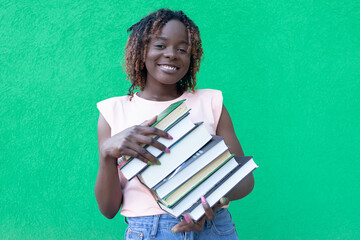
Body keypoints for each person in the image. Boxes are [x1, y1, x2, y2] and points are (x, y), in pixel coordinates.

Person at [95, 8, 255, 240]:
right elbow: (108, 209)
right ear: (141, 50)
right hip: (150, 231)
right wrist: (107, 154)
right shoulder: (113, 111)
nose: (171, 54)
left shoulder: (211, 102)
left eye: (182, 49)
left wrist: (211, 201)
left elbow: (244, 181)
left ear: (192, 57)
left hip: (213, 226)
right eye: (160, 46)